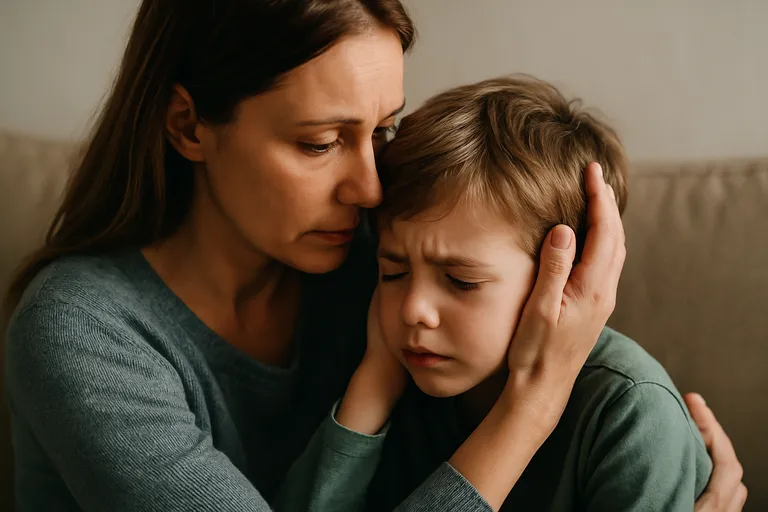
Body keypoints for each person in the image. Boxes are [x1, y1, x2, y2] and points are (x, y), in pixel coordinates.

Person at [1, 1, 745, 511]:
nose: (368, 188)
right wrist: (534, 401)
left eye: (383, 133)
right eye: (320, 143)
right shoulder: (81, 331)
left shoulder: (386, 268)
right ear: (190, 125)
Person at [334, 75, 712, 511]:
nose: (414, 310)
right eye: (394, 273)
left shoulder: (630, 412)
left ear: (569, 280)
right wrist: (374, 382)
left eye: (462, 281)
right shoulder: (399, 381)